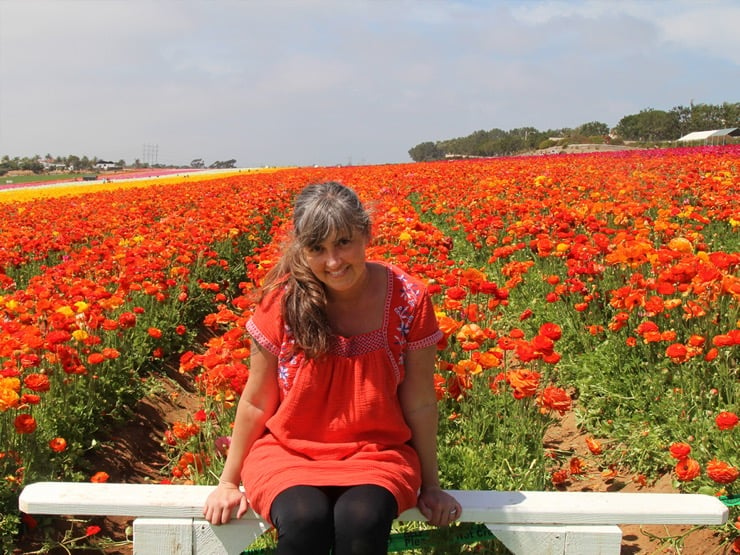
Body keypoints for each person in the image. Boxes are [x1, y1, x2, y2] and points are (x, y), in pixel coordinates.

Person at [203, 182, 461, 554]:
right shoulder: (283, 301)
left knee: (362, 521)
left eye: (343, 242)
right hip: (288, 453)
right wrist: (228, 482)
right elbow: (257, 400)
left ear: (366, 234)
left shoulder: (408, 299)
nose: (334, 262)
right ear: (301, 249)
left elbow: (420, 401)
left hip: (377, 452)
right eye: (317, 249)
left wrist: (432, 486)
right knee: (304, 521)